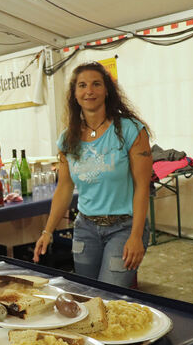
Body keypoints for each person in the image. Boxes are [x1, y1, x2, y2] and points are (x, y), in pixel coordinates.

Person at [33, 62, 152, 288]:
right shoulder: (67, 139)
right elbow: (64, 189)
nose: (89, 91)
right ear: (75, 94)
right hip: (85, 229)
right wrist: (47, 231)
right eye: (82, 85)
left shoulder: (131, 130)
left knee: (110, 296)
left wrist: (136, 236)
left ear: (107, 90)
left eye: (96, 84)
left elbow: (142, 187)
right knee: (87, 294)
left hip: (124, 227)